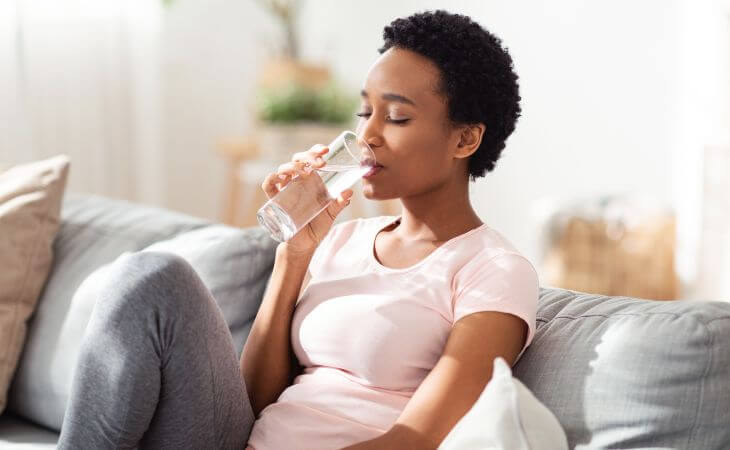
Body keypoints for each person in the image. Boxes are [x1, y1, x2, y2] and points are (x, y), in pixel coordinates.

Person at [57, 9, 538, 450]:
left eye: (396, 117)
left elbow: (415, 441)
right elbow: (254, 400)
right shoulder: (344, 240)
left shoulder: (493, 270)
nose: (367, 136)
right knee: (150, 278)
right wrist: (294, 255)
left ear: (465, 138)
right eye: (364, 113)